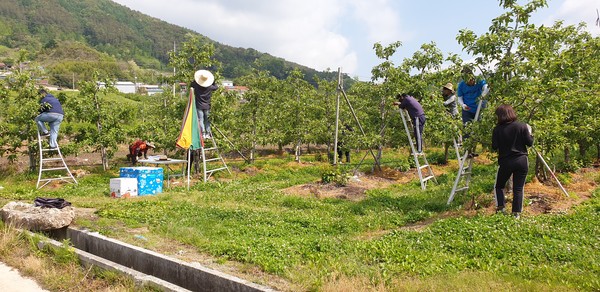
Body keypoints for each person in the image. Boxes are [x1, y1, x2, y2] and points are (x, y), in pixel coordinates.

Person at [491, 104, 533, 219]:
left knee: (499, 186)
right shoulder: (522, 126)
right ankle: (516, 213)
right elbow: (529, 143)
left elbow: (494, 146)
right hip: (521, 160)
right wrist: (530, 132)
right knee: (518, 188)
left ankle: (501, 208)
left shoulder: (497, 129)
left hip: (506, 161)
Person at [190, 69, 218, 138]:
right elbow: (216, 87)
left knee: (201, 119)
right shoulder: (210, 87)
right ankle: (208, 133)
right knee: (207, 120)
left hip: (199, 105)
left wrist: (196, 80)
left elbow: (191, 84)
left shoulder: (197, 86)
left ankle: (203, 133)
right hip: (207, 106)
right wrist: (213, 81)